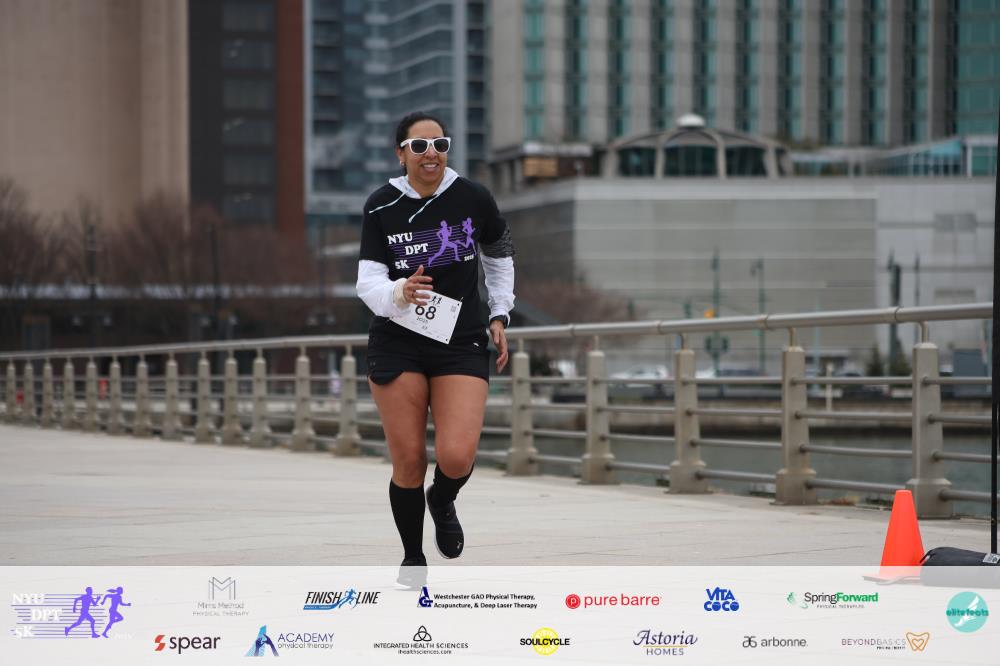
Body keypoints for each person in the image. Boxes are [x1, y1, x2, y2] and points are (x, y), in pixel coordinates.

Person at [356, 111, 515, 587]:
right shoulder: (381, 205)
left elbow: (499, 253)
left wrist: (500, 312)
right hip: (398, 341)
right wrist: (400, 291)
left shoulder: (473, 197)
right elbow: (368, 282)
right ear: (400, 153)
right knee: (408, 460)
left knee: (456, 456)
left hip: (459, 340)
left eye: (440, 145)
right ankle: (412, 558)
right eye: (420, 146)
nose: (432, 154)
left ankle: (442, 499)